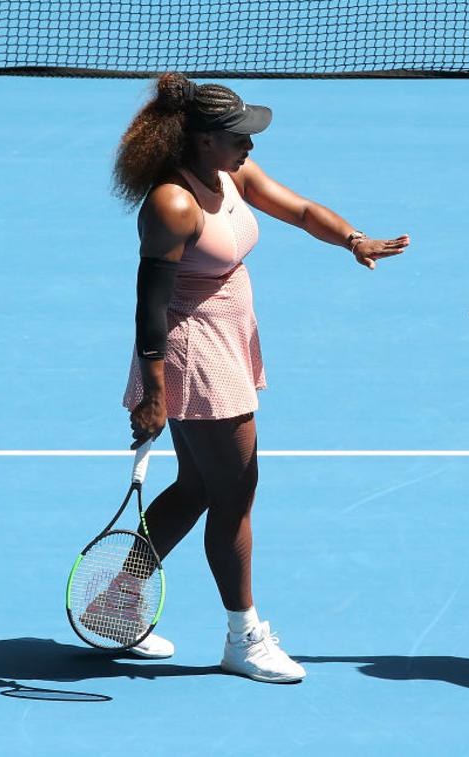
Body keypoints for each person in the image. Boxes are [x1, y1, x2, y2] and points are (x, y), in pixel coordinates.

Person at [111, 73, 409, 682]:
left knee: (198, 487)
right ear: (202, 142)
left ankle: (116, 602)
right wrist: (154, 394)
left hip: (227, 338)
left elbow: (298, 210)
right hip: (194, 356)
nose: (250, 146)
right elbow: (148, 305)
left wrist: (353, 239)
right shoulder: (173, 204)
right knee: (235, 494)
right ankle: (243, 637)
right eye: (239, 135)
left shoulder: (230, 173)